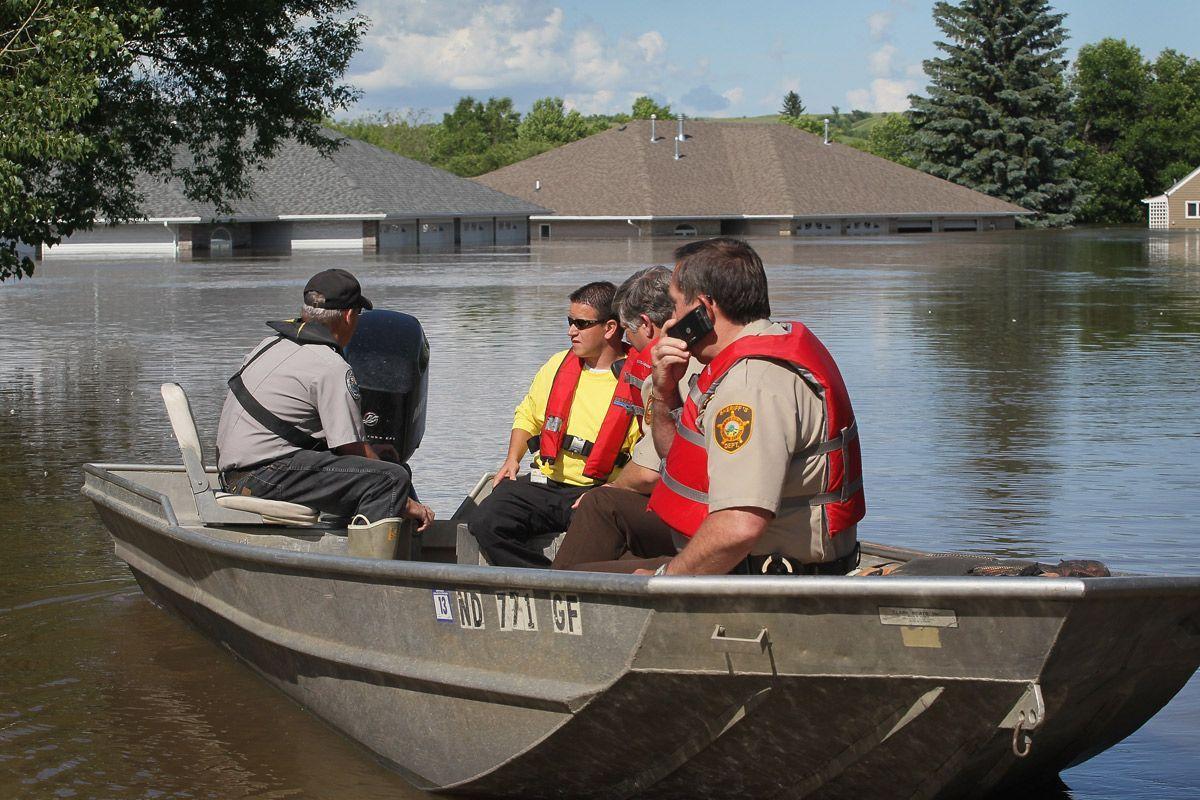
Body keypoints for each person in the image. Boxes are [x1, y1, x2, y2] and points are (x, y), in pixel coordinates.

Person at [641, 237, 865, 576]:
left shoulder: (750, 386)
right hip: (741, 567)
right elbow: (681, 462)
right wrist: (665, 392)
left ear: (704, 309)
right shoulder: (765, 348)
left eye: (675, 306)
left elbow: (738, 527)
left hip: (764, 585)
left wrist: (665, 581)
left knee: (586, 577)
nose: (671, 321)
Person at [215, 269, 434, 555]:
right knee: (390, 480)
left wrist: (377, 455)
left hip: (236, 472)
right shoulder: (331, 367)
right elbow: (350, 449)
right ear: (348, 317)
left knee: (387, 470)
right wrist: (405, 502)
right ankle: (373, 580)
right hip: (262, 475)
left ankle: (349, 549)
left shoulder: (269, 345)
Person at [467, 281, 641, 568]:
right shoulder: (558, 365)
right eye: (570, 321)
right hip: (546, 485)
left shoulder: (637, 376)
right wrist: (513, 459)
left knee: (603, 541)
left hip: (599, 493)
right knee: (486, 521)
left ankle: (572, 582)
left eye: (581, 324)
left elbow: (648, 453)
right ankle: (540, 580)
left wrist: (613, 493)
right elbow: (527, 415)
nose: (571, 331)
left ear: (610, 328)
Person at [551, 266, 689, 572]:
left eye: (628, 331)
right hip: (703, 508)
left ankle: (556, 592)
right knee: (613, 539)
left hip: (698, 519)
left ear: (646, 325)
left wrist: (608, 489)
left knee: (598, 505)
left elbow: (649, 472)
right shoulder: (707, 356)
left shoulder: (667, 369)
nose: (629, 341)